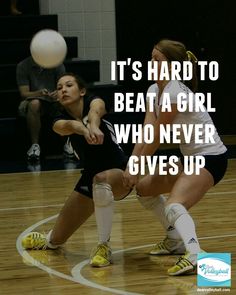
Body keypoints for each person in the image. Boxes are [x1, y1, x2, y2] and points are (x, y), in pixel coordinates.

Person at [123, 39, 228, 276]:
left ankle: (196, 255)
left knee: (174, 204)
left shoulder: (174, 91)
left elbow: (157, 136)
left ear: (172, 65)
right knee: (143, 189)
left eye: (156, 59)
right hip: (190, 159)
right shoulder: (153, 90)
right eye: (150, 58)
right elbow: (147, 132)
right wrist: (132, 165)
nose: (150, 63)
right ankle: (175, 240)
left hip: (211, 158)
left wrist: (135, 167)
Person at [21, 73, 131, 267]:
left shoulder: (94, 101)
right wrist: (82, 129)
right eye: (60, 87)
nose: (63, 89)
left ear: (82, 91)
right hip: (90, 176)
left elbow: (97, 111)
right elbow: (66, 126)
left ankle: (104, 246)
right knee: (56, 241)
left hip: (121, 173)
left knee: (101, 178)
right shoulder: (58, 118)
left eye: (69, 85)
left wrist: (93, 125)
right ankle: (48, 239)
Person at [16, 55, 74, 161]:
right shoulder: (23, 66)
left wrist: (58, 93)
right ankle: (34, 146)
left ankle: (68, 144)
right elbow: (24, 93)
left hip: (53, 100)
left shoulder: (57, 64)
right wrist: (39, 93)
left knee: (66, 101)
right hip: (33, 99)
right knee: (34, 104)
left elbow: (64, 87)